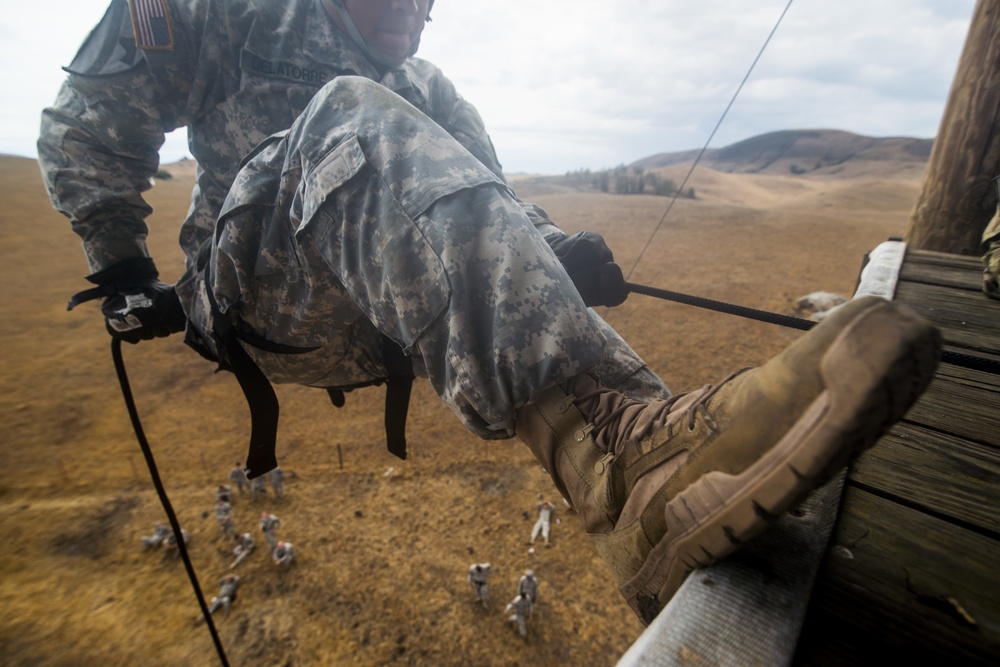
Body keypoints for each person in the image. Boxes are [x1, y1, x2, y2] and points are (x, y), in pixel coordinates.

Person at [40, 0, 941, 625]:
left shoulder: (426, 90)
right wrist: (118, 259)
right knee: (348, 112)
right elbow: (92, 111)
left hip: (386, 319)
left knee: (455, 181)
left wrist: (553, 247)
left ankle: (638, 471)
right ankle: (633, 460)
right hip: (262, 295)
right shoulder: (230, 16)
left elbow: (487, 201)